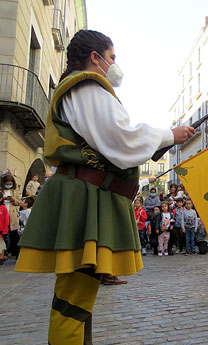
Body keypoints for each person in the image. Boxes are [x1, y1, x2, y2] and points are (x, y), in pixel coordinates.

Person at [14, 30, 194, 344]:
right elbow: (118, 137)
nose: (115, 64)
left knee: (76, 296)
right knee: (73, 298)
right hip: (84, 197)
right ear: (95, 57)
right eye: (112, 57)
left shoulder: (81, 88)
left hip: (85, 196)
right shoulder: (86, 85)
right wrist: (169, 135)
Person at [1, 174, 20, 260]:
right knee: (4, 234)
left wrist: (13, 199)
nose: (8, 185)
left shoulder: (15, 190)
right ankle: (4, 252)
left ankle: (15, 252)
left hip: (12, 214)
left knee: (14, 234)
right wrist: (2, 199)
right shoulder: (1, 190)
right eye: (7, 183)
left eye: (10, 183)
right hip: (2, 213)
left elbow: (19, 202)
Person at [0, 192, 9, 268]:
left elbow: (6, 220)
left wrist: (5, 230)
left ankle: (1, 259)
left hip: (1, 231)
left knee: (2, 246)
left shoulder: (3, 208)